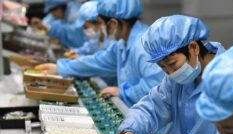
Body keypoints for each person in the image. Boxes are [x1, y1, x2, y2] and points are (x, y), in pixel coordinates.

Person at [114, 15, 225, 134]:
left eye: (172, 64)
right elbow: (153, 107)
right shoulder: (176, 79)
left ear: (193, 48)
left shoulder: (230, 80)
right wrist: (130, 130)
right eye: (163, 67)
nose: (170, 73)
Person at [35, 0, 164, 105]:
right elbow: (98, 61)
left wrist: (124, 93)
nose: (101, 29)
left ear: (113, 23)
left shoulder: (145, 45)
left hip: (160, 130)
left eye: (102, 23)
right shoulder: (122, 44)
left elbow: (156, 86)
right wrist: (60, 67)